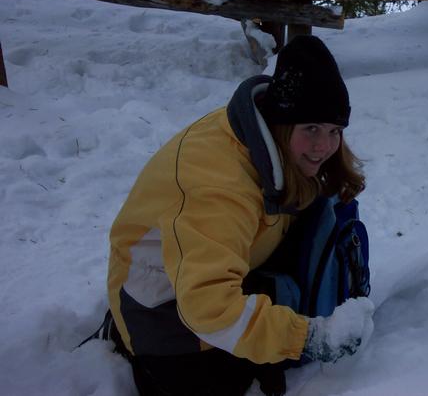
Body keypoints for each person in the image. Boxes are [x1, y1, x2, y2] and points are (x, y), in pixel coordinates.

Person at [106, 35, 374, 395]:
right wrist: (307, 339)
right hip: (158, 306)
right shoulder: (217, 184)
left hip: (211, 269)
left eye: (334, 131)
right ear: (283, 123)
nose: (324, 146)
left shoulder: (267, 138)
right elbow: (208, 308)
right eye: (311, 128)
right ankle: (121, 339)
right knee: (232, 379)